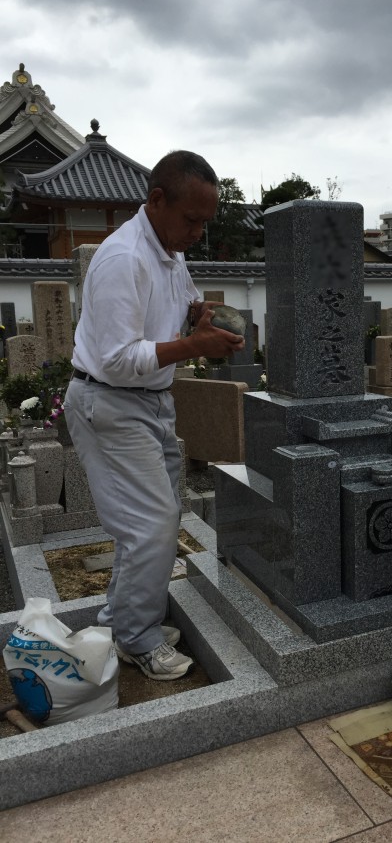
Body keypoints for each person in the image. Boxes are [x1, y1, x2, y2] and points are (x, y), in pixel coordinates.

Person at [64, 150, 245, 680]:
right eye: (191, 220)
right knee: (152, 523)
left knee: (146, 521)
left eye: (205, 224)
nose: (197, 233)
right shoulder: (126, 259)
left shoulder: (168, 250)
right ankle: (138, 638)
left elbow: (184, 304)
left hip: (149, 401)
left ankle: (121, 619)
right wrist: (193, 344)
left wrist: (200, 318)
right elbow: (119, 359)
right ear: (157, 200)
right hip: (112, 400)